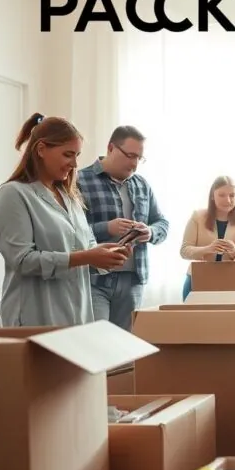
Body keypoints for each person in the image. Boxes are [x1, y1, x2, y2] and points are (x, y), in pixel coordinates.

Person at [0, 113, 130, 327]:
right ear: (41, 149)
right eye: (68, 154)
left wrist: (104, 254)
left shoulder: (70, 197)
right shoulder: (14, 194)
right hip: (34, 318)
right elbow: (22, 261)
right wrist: (86, 256)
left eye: (77, 155)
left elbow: (84, 246)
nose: (74, 164)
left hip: (75, 316)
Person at [78, 125, 169, 331]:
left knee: (125, 345)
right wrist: (106, 228)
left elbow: (162, 223)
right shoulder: (80, 181)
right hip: (94, 280)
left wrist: (150, 232)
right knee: (97, 341)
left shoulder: (142, 185)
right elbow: (72, 232)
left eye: (139, 158)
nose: (134, 163)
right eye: (130, 155)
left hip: (133, 281)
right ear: (111, 148)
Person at [179, 176, 235, 300]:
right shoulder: (197, 216)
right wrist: (208, 249)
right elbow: (184, 250)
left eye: (232, 195)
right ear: (212, 196)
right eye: (222, 195)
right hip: (198, 279)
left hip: (230, 281)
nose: (228, 200)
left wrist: (234, 251)